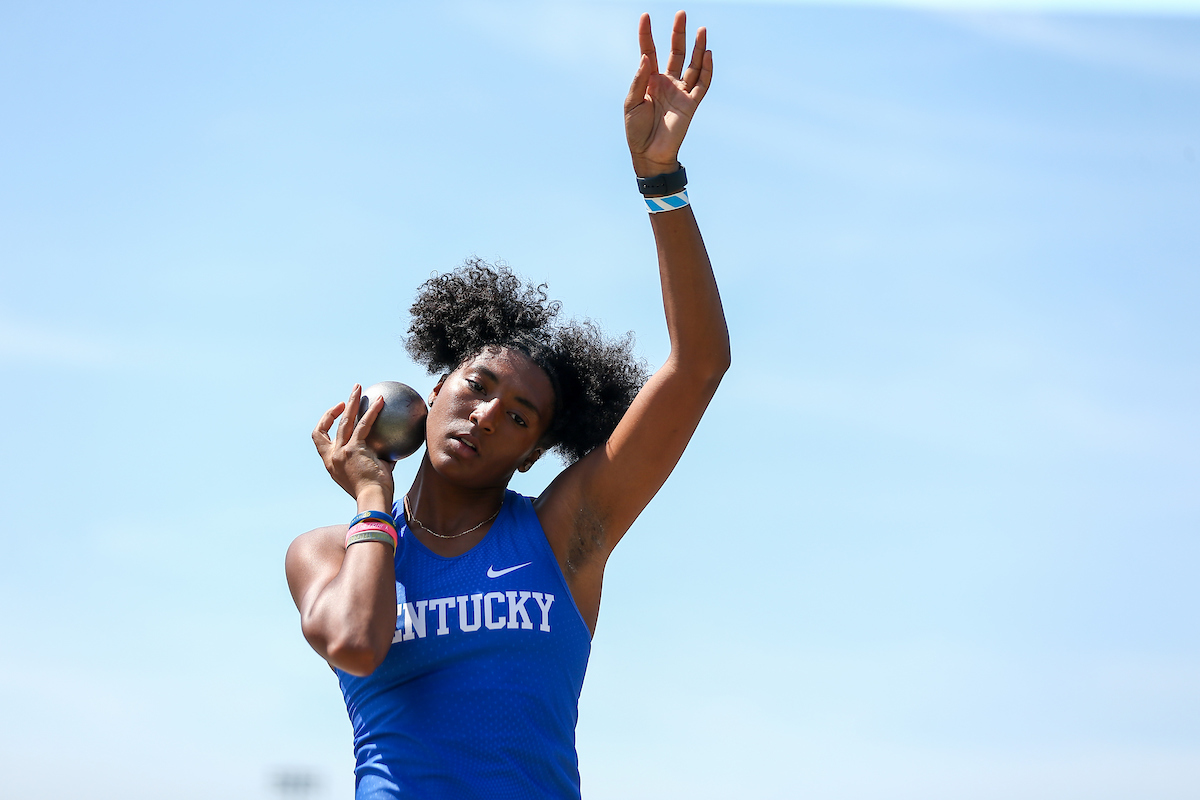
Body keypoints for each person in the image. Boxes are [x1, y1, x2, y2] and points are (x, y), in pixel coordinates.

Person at [285, 11, 727, 799]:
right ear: (433, 393)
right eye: (478, 388)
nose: (489, 414)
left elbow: (698, 367)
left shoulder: (563, 535)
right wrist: (371, 496)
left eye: (520, 416)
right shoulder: (328, 552)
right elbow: (355, 642)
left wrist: (661, 180)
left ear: (530, 452)